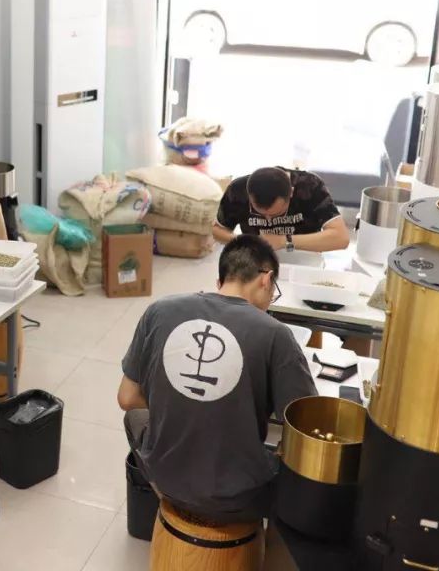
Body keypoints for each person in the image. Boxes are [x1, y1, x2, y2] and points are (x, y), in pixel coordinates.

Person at [117, 235, 317, 524]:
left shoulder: (159, 310)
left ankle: (169, 499)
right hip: (238, 495)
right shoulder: (275, 333)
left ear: (220, 281)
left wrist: (176, 402)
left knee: (134, 417)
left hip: (164, 478)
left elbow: (127, 398)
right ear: (266, 279)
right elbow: (307, 425)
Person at [212, 166, 350, 252]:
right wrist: (242, 241)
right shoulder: (237, 190)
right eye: (259, 212)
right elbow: (217, 230)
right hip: (256, 259)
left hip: (304, 259)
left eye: (276, 213)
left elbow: (341, 238)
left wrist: (283, 241)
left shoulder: (310, 186)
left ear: (291, 193)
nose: (268, 220)